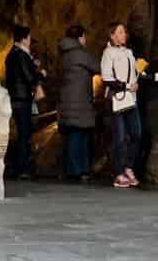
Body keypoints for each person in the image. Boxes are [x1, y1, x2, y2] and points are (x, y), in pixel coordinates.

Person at [100, 21, 144, 189]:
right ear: (112, 35)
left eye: (124, 31)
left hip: (131, 99)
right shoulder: (108, 53)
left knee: (137, 134)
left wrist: (156, 76)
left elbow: (138, 72)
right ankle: (118, 173)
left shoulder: (129, 53)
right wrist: (127, 86)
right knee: (119, 137)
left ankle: (128, 167)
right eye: (119, 32)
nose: (123, 34)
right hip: (117, 100)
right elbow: (107, 78)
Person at [56, 24, 99, 182]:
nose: (85, 39)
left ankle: (77, 169)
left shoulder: (63, 54)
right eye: (84, 36)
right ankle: (77, 171)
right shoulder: (80, 54)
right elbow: (98, 67)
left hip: (66, 101)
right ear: (79, 37)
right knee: (79, 135)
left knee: (73, 135)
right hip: (79, 101)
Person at [3, 26, 42, 180]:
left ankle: (20, 166)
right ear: (25, 38)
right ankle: (23, 168)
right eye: (30, 37)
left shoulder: (12, 54)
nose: (30, 40)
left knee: (22, 133)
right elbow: (28, 76)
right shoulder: (20, 55)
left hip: (16, 97)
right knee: (24, 134)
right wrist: (39, 76)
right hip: (22, 98)